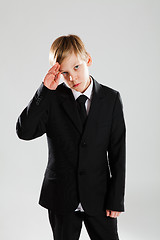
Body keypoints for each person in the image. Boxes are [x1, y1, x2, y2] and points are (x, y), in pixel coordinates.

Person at [16, 34, 126, 240]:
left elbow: (118, 152)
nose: (72, 78)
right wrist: (44, 91)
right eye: (65, 73)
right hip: (61, 197)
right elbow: (25, 132)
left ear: (88, 60)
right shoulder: (52, 99)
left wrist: (116, 199)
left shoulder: (111, 99)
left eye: (76, 67)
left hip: (100, 197)